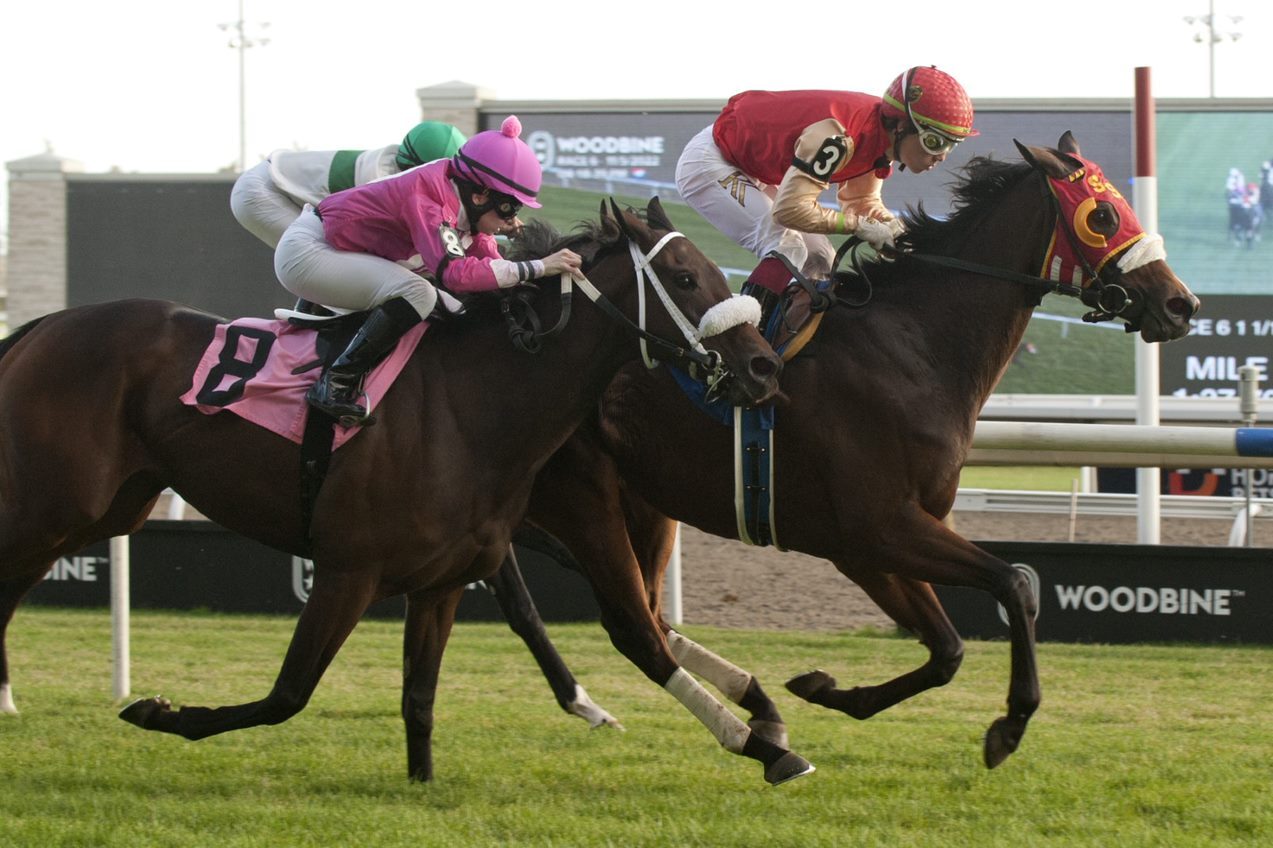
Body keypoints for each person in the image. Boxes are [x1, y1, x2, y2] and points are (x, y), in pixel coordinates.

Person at [273, 115, 582, 425]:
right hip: (309, 252)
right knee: (419, 293)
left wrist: (532, 272)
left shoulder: (460, 197)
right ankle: (335, 384)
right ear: (480, 195)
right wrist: (538, 266)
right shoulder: (430, 199)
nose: (513, 218)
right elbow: (457, 275)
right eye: (510, 207)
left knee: (451, 307)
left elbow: (487, 266)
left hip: (338, 250)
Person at [675, 66, 977, 323]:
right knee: (786, 246)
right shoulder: (837, 137)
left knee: (821, 259)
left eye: (952, 145)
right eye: (935, 141)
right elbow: (790, 211)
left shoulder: (878, 136)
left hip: (750, 162)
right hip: (711, 161)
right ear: (900, 126)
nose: (941, 156)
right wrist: (857, 226)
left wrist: (893, 230)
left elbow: (861, 202)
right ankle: (743, 344)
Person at [231, 120, 468, 247]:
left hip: (275, 180)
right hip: (262, 191)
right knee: (324, 259)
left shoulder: (398, 169)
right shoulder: (379, 181)